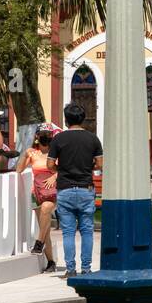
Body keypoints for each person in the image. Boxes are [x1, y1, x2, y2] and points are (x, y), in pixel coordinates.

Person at [47, 103, 103, 278]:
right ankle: (86, 269)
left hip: (65, 189)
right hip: (86, 189)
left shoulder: (58, 139)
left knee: (68, 232)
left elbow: (49, 165)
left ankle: (70, 270)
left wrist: (62, 170)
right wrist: (87, 166)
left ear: (66, 120)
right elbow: (100, 164)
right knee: (87, 231)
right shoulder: (93, 139)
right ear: (83, 119)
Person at [16, 127, 58, 272]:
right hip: (37, 193)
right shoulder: (33, 153)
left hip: (52, 192)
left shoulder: (56, 153)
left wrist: (55, 176)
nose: (45, 138)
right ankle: (51, 261)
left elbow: (64, 169)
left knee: (47, 208)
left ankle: (38, 243)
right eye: (43, 135)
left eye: (48, 135)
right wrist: (25, 154)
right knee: (44, 228)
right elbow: (19, 170)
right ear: (37, 137)